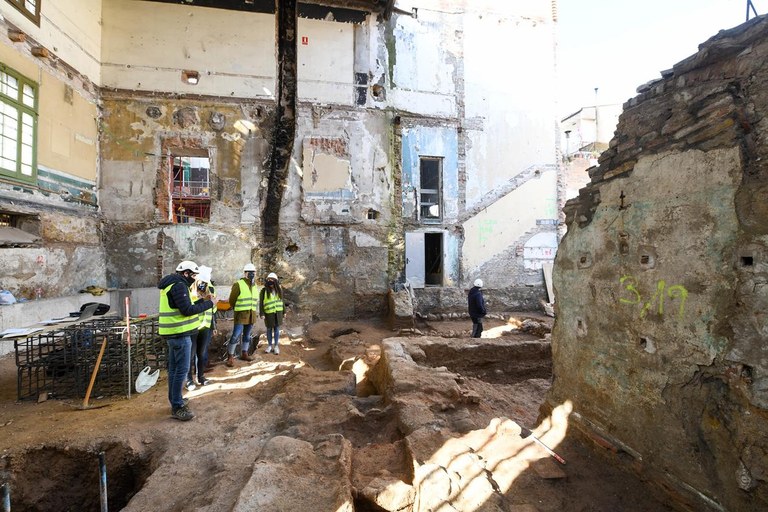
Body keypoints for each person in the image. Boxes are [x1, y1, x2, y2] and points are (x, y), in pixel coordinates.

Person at [158, 260, 215, 421]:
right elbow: (187, 310)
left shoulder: (173, 284)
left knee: (174, 370)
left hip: (175, 334)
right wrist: (210, 304)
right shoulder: (179, 286)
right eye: (193, 275)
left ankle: (175, 400)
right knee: (181, 370)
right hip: (180, 334)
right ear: (186, 273)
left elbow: (184, 305)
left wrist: (202, 301)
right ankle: (177, 406)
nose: (195, 278)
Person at [187, 266, 216, 390]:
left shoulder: (210, 290)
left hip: (205, 326)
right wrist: (203, 300)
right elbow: (189, 306)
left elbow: (214, 309)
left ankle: (201, 377)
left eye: (205, 283)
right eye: (202, 282)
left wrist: (213, 326)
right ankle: (189, 380)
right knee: (190, 354)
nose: (203, 285)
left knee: (201, 353)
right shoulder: (189, 289)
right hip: (192, 326)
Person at [225, 263, 259, 367]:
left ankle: (244, 353)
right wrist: (237, 308)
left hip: (251, 315)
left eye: (253, 272)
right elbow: (232, 300)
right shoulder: (238, 284)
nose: (252, 274)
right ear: (245, 273)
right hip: (241, 314)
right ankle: (230, 356)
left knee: (247, 335)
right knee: (236, 335)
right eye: (249, 272)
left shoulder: (254, 286)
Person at [259, 272, 285, 355]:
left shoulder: (279, 290)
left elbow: (282, 301)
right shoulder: (264, 291)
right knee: (269, 329)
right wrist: (262, 313)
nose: (270, 281)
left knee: (277, 329)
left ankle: (276, 346)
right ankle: (269, 345)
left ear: (276, 281)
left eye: (272, 280)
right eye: (269, 280)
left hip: (278, 313)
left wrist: (284, 312)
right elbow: (261, 303)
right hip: (269, 313)